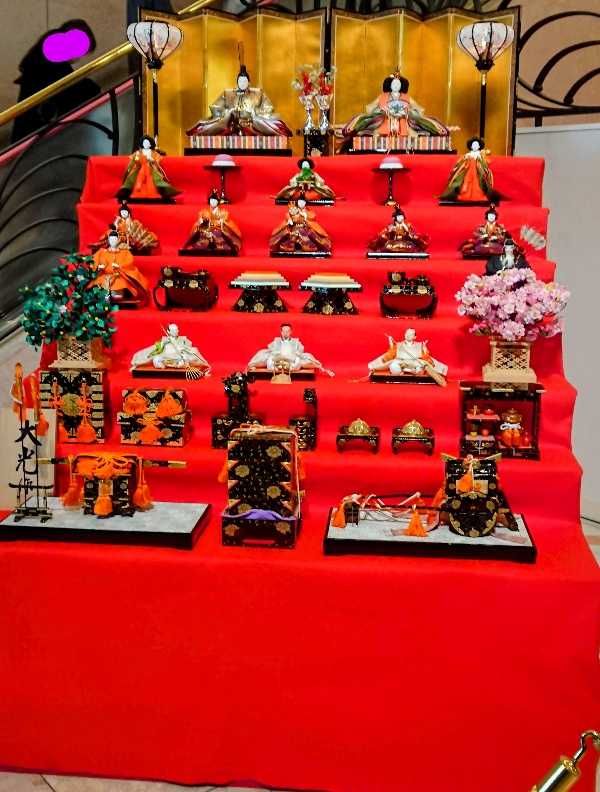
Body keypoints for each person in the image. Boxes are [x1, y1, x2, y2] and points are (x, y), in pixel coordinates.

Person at [11, 20, 100, 143]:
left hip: (28, 130)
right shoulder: (54, 54)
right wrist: (92, 88)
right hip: (37, 134)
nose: (80, 56)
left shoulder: (46, 52)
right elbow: (70, 87)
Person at [341, 72, 450, 148]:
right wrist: (381, 110)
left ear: (401, 85)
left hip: (403, 121)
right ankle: (374, 146)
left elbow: (420, 109)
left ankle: (414, 146)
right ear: (390, 85)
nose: (396, 85)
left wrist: (408, 112)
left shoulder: (406, 97)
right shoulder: (382, 96)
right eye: (394, 83)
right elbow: (369, 108)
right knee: (376, 133)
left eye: (398, 84)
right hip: (385, 120)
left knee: (413, 135)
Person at [186, 64, 292, 138]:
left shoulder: (258, 93)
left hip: (253, 125)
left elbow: (268, 108)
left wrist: (254, 113)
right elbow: (216, 108)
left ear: (249, 82)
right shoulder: (228, 93)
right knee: (210, 125)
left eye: (245, 81)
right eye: (240, 81)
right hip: (231, 125)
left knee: (272, 123)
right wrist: (228, 113)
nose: (242, 83)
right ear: (237, 82)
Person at [88, 227, 150, 306]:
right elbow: (94, 262)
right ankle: (104, 296)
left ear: (118, 240)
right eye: (111, 239)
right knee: (99, 283)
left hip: (118, 275)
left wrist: (119, 266)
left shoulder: (125, 252)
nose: (113, 241)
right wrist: (99, 267)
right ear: (108, 240)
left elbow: (129, 263)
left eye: (114, 239)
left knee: (120, 285)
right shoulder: (101, 252)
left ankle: (115, 294)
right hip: (104, 275)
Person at [248, 323, 334, 376]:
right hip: (278, 360)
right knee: (266, 356)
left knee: (302, 359)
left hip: (291, 361)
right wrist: (278, 355)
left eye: (288, 331)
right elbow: (271, 351)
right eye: (284, 331)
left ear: (291, 332)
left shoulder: (296, 341)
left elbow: (300, 352)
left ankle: (289, 369)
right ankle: (277, 369)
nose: (285, 333)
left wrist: (294, 355)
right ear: (281, 332)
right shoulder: (276, 341)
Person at [368, 328, 447, 385]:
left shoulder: (420, 345)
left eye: (411, 334)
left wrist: (425, 350)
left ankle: (409, 371)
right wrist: (391, 345)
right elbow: (389, 356)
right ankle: (403, 371)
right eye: (407, 333)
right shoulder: (398, 345)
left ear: (415, 337)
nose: (408, 335)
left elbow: (426, 358)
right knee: (393, 365)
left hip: (415, 365)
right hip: (401, 363)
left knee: (420, 368)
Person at [117, 135, 181, 202]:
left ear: (150, 144)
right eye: (144, 143)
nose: (146, 144)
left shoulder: (153, 153)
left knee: (153, 181)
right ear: (142, 144)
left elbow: (156, 160)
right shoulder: (138, 152)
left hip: (150, 170)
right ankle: (135, 194)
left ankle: (154, 194)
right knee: (134, 179)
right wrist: (138, 160)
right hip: (140, 169)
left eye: (147, 143)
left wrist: (151, 160)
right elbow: (134, 160)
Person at [180, 188, 242, 255]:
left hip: (218, 231)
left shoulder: (224, 212)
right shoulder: (203, 212)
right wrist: (202, 222)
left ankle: (232, 248)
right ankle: (185, 247)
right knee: (198, 232)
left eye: (215, 201)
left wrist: (218, 224)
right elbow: (199, 222)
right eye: (211, 200)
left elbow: (225, 222)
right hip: (206, 230)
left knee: (222, 233)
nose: (213, 202)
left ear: (218, 202)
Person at [439, 137, 501, 204]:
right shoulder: (467, 155)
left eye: (476, 145)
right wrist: (466, 161)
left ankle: (478, 194)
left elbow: (485, 164)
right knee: (462, 181)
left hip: (478, 172)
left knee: (479, 182)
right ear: (471, 146)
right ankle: (463, 194)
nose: (475, 146)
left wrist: (479, 163)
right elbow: (460, 163)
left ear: (479, 146)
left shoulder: (481, 155)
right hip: (467, 171)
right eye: (473, 145)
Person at [131, 323, 210, 372]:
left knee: (185, 359)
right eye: (174, 330)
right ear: (168, 332)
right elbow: (154, 349)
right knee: (156, 359)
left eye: (177, 329)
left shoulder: (183, 339)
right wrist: (163, 343)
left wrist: (181, 347)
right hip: (165, 359)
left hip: (179, 359)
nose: (176, 331)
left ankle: (179, 365)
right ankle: (137, 362)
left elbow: (190, 348)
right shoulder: (164, 340)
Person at [90, 202, 158, 255]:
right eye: (122, 212)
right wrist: (115, 224)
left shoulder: (133, 222)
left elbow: (135, 230)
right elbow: (115, 228)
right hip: (119, 235)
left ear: (128, 213)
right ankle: (100, 245)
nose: (124, 214)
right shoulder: (118, 221)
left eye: (125, 212)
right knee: (110, 234)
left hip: (129, 237)